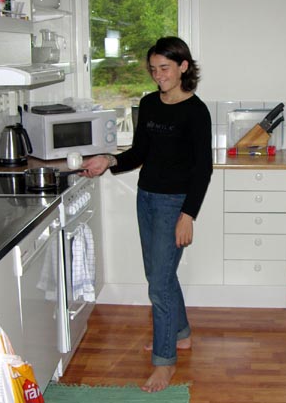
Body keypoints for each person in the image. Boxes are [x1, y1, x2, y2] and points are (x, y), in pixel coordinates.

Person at [81, 36, 213, 392]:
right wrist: (109, 160)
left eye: (165, 68)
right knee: (160, 275)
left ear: (183, 66)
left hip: (175, 204)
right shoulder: (149, 104)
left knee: (158, 283)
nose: (158, 76)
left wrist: (188, 215)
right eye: (153, 69)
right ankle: (180, 334)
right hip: (147, 198)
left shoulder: (196, 111)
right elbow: (139, 152)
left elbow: (203, 169)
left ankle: (164, 362)